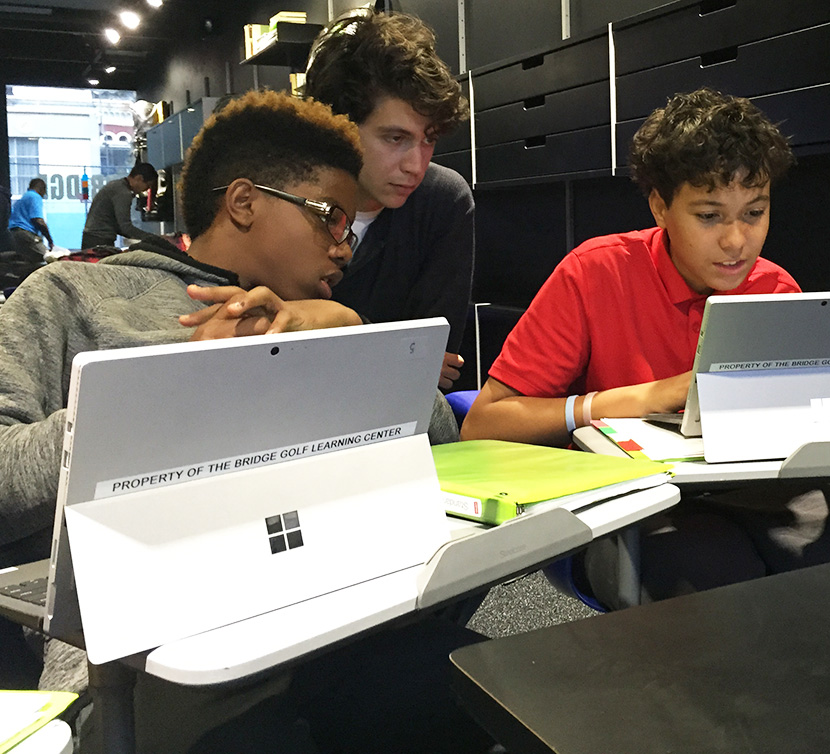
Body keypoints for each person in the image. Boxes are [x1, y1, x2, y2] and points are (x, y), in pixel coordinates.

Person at [0, 90, 484, 753]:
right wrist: (180, 385)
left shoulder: (319, 318)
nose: (345, 246)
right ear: (245, 202)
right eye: (330, 218)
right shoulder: (73, 298)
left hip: (345, 616)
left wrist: (347, 336)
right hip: (162, 656)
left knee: (495, 684)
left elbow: (443, 450)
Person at [463, 89, 830, 607]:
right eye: (709, 216)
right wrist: (622, 402)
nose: (736, 241)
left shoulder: (773, 288)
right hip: (637, 506)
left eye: (754, 212)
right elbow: (484, 424)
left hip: (764, 494)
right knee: (719, 592)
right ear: (660, 205)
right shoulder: (595, 272)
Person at [305, 8, 474, 389]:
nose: (416, 164)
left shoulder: (443, 200)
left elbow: (432, 367)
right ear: (339, 126)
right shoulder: (284, 201)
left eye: (429, 139)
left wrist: (331, 323)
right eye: (395, 139)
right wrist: (394, 351)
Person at [80, 161, 159, 249]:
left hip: (91, 238)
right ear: (139, 178)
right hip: (99, 241)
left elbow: (119, 227)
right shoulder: (123, 193)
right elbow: (125, 227)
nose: (145, 190)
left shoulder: (116, 185)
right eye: (147, 186)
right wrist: (153, 238)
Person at [8, 178, 53, 263]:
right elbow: (38, 220)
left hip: (14, 234)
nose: (44, 194)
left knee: (31, 261)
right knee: (49, 258)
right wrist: (50, 240)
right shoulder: (35, 196)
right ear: (42, 189)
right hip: (25, 233)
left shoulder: (23, 198)